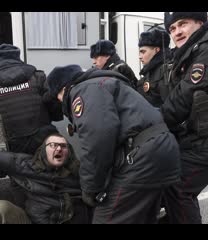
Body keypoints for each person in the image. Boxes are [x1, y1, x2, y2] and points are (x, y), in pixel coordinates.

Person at [46, 64, 180, 224]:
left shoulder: (82, 90)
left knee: (106, 219)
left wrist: (90, 188)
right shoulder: (106, 83)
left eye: (58, 97)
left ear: (62, 89)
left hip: (142, 157)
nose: (60, 102)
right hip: (163, 151)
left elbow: (97, 140)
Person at [0, 133, 92, 224]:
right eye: (53, 145)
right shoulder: (27, 165)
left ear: (69, 152)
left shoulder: (82, 173)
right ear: (43, 150)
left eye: (63, 146)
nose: (59, 149)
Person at [160, 12, 208, 224]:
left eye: (183, 24)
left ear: (200, 22)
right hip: (195, 139)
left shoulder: (204, 51)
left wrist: (154, 120)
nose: (177, 32)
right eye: (172, 28)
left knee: (176, 184)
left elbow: (185, 94)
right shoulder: (186, 53)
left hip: (203, 143)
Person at [0, 43, 63, 155]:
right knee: (52, 169)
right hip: (45, 136)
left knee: (23, 170)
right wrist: (55, 116)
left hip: (17, 142)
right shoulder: (37, 77)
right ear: (18, 57)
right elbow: (52, 101)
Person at [137, 28, 172, 108]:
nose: (140, 57)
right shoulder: (150, 71)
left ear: (156, 50)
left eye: (143, 52)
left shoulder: (167, 70)